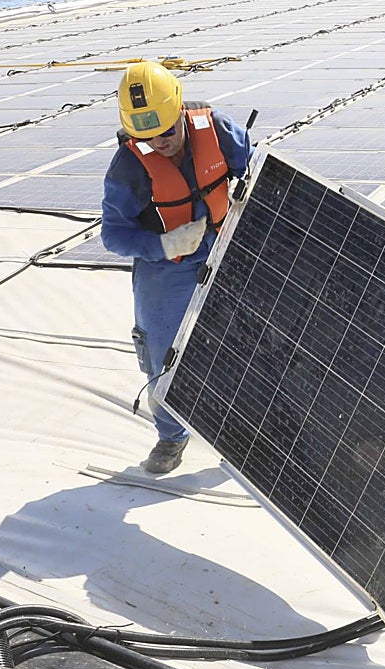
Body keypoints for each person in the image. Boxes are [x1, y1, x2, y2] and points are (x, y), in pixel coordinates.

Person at [101, 60, 253, 474]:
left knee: (254, 341)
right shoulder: (129, 166)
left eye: (166, 131)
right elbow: (113, 235)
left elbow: (257, 169)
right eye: (146, 136)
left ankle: (251, 431)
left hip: (228, 246)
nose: (159, 142)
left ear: (180, 110)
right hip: (167, 264)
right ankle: (171, 435)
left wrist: (246, 194)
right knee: (161, 352)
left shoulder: (216, 129)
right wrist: (163, 245)